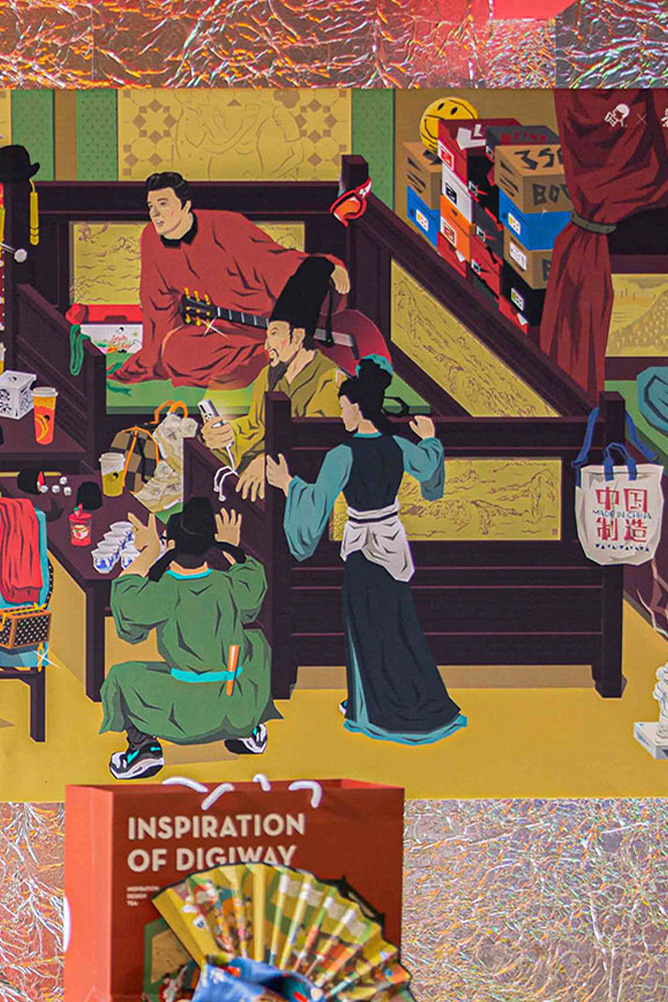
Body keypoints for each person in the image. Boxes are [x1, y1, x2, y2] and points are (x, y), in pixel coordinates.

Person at [255, 358, 466, 745]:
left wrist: (287, 484)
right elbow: (429, 468)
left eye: (343, 407)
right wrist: (430, 438)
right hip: (392, 544)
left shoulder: (342, 454)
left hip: (363, 551)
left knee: (368, 628)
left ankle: (377, 710)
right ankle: (412, 700)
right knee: (399, 626)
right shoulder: (397, 445)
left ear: (357, 406)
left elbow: (317, 502)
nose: (341, 414)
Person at [116, 172, 382, 391]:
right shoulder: (150, 238)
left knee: (280, 332)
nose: (155, 214)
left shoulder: (226, 227)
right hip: (221, 334)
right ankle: (272, 356)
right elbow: (156, 303)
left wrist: (325, 267)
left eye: (163, 204)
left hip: (268, 318)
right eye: (151, 207)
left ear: (185, 205)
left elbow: (275, 262)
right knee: (175, 352)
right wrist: (152, 358)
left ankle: (278, 351)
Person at [99, 494, 274, 780]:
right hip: (235, 698)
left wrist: (149, 552)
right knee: (255, 644)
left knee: (121, 676)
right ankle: (247, 727)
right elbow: (253, 580)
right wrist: (232, 545)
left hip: (187, 712)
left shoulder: (166, 590)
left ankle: (143, 748)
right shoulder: (228, 584)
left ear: (170, 545)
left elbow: (126, 602)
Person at [234, 258, 348, 495]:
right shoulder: (268, 375)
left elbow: (314, 443)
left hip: (300, 486)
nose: (267, 345)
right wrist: (228, 433)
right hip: (256, 470)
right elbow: (254, 425)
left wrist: (266, 461)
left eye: (274, 334)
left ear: (297, 337)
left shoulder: (330, 379)